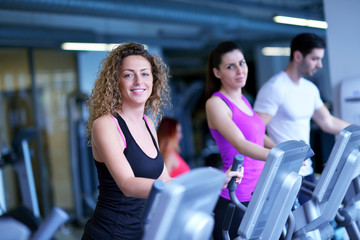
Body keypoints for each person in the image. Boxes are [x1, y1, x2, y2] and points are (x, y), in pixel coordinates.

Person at [82, 42, 243, 240]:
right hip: (111, 233)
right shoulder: (106, 124)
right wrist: (197, 185)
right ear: (115, 82)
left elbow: (164, 179)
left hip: (143, 231)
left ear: (154, 80)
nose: (138, 81)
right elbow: (128, 184)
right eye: (128, 74)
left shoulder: (148, 123)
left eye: (145, 74)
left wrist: (217, 180)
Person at [253, 33, 350, 205]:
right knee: (295, 228)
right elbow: (254, 131)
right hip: (283, 176)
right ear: (298, 56)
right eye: (315, 59)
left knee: (313, 222)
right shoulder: (275, 88)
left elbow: (328, 122)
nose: (319, 65)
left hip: (306, 171)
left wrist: (356, 129)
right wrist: (285, 154)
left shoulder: (309, 89)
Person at [205, 41, 275, 240]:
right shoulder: (216, 104)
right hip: (236, 196)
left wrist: (283, 149)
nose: (239, 70)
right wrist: (279, 157)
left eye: (242, 63)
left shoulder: (244, 100)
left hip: (259, 191)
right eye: (230, 66)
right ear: (217, 73)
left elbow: (258, 136)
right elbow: (241, 144)